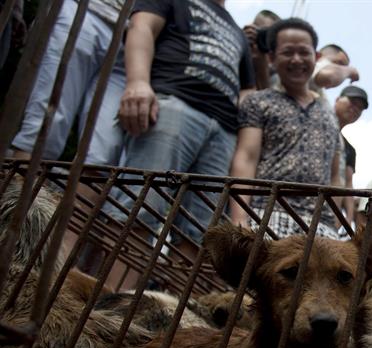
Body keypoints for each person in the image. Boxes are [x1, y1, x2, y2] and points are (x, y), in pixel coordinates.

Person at [109, 0, 255, 289]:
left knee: (198, 230)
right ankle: (110, 304)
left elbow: (248, 91)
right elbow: (142, 27)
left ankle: (167, 314)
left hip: (224, 129)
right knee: (141, 204)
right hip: (175, 102)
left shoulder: (237, 32)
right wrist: (138, 81)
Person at [229, 18, 339, 239]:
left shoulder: (329, 114)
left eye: (304, 52)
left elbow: (335, 176)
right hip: (266, 214)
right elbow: (246, 158)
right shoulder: (259, 102)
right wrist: (239, 220)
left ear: (316, 57)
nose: (297, 59)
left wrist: (334, 224)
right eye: (288, 52)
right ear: (271, 58)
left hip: (322, 226)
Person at [10, 0, 126, 165]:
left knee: (103, 154)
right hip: (83, 10)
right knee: (46, 124)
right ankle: (21, 188)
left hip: (136, 35)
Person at [333, 85, 368, 224]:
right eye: (352, 102)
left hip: (329, 214)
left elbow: (348, 184)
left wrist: (348, 217)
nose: (355, 109)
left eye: (360, 108)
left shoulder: (349, 149)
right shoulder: (312, 124)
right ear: (337, 99)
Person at [242, 9, 280, 90]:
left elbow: (268, 99)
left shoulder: (278, 73)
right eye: (258, 31)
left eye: (267, 35)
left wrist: (262, 68)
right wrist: (241, 41)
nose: (260, 37)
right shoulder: (238, 48)